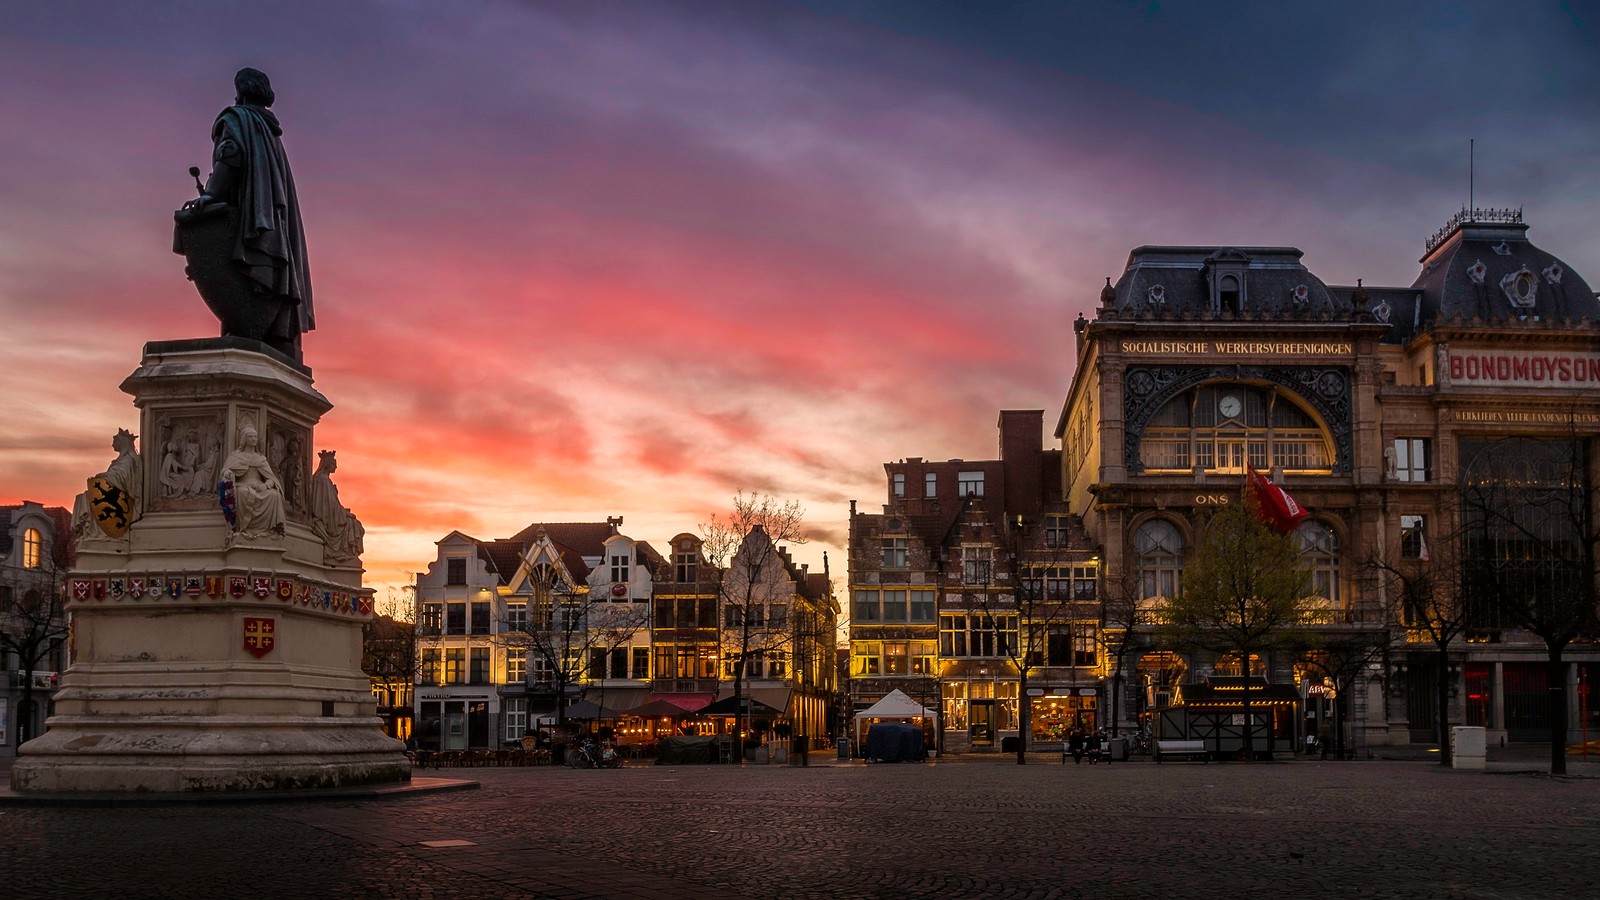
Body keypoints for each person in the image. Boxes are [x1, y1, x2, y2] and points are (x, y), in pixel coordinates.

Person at [181, 67, 313, 359]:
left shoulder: (237, 119)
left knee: (244, 263)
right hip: (269, 220)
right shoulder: (269, 132)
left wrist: (212, 195)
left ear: (239, 92)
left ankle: (249, 321)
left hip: (251, 220)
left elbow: (230, 156)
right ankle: (274, 332)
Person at [219, 420, 286, 539]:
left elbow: (271, 479)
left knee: (274, 496)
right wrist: (228, 472)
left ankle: (270, 530)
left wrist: (265, 486)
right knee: (243, 493)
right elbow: (225, 471)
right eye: (251, 437)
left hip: (260, 487)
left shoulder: (260, 458)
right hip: (243, 485)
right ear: (245, 439)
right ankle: (242, 527)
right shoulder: (236, 456)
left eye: (255, 436)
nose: (254, 439)